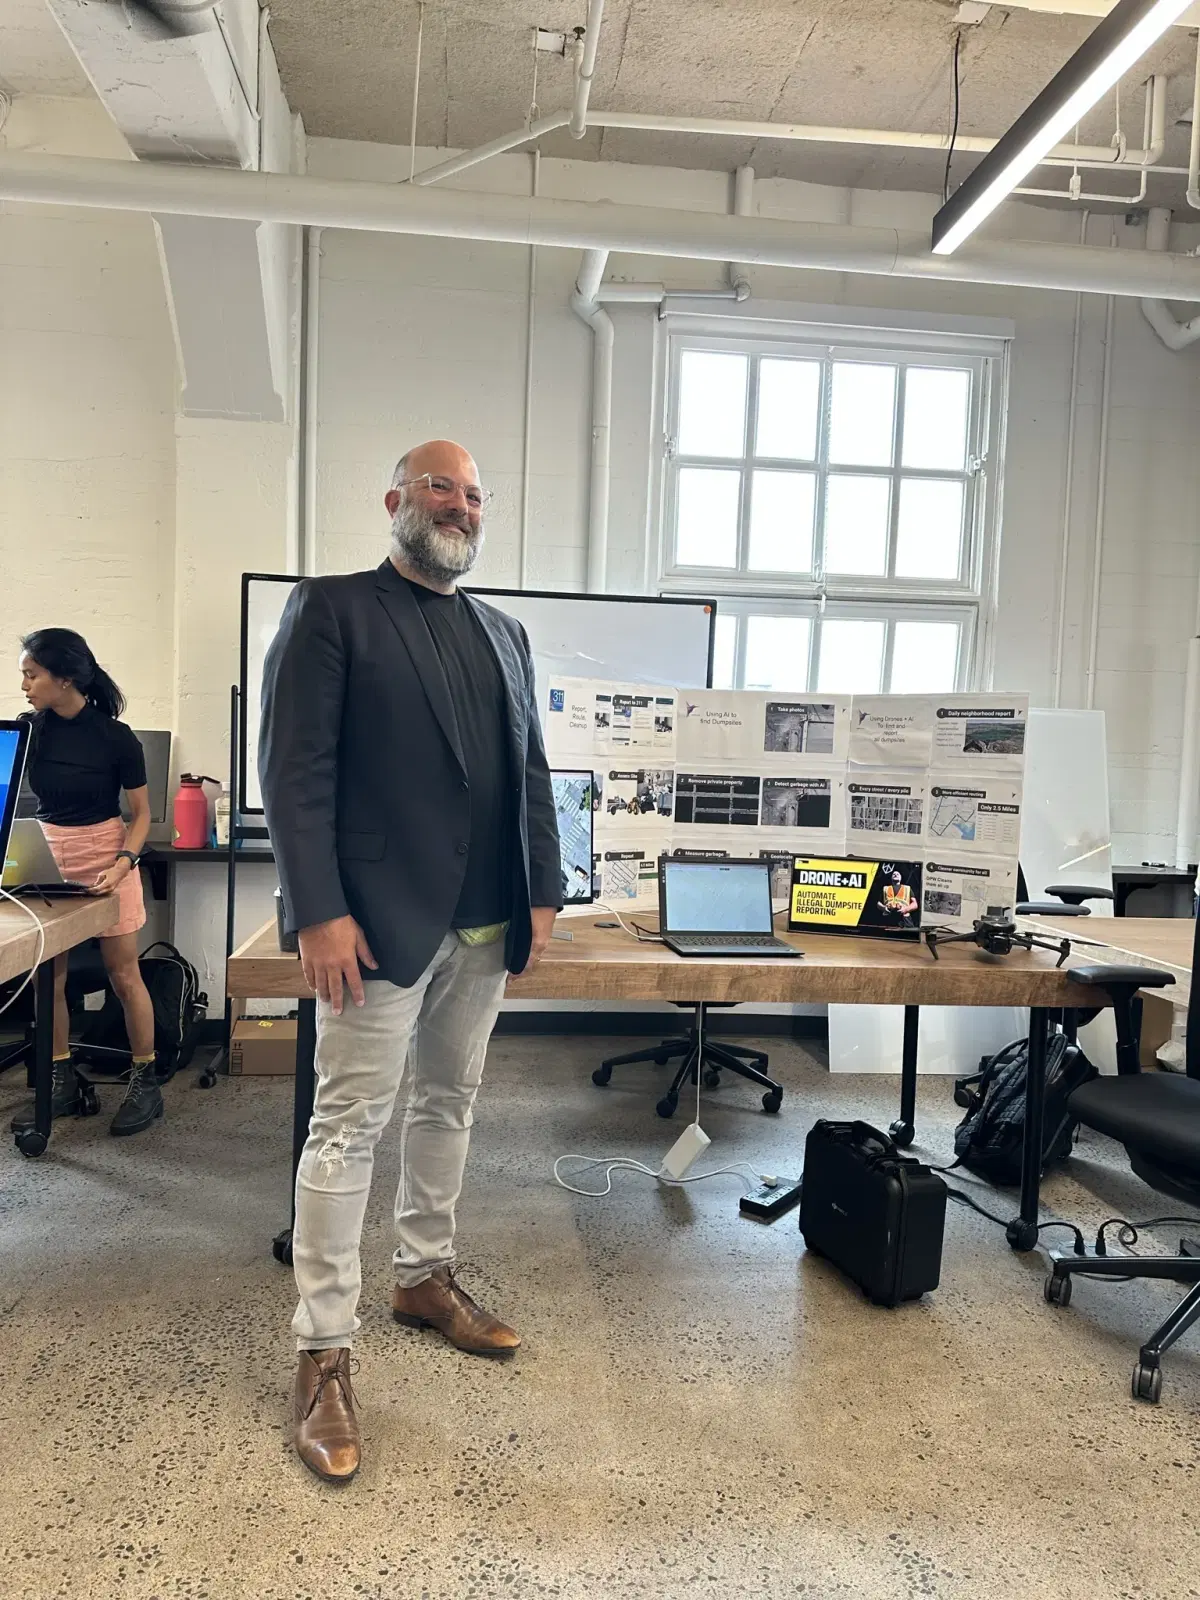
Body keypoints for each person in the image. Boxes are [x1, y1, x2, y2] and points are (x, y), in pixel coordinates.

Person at [260, 438, 561, 1485]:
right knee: (348, 1125)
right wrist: (316, 908)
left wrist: (544, 888)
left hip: (484, 923)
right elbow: (293, 770)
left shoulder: (507, 634)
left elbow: (531, 770)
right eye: (441, 486)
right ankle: (321, 1350)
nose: (461, 505)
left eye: (476, 492)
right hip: (376, 923)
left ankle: (423, 1277)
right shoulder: (332, 610)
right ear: (396, 500)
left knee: (452, 1102)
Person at [10, 629, 162, 1137]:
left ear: (64, 678)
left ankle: (146, 1080)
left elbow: (140, 815)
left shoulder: (116, 737)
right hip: (48, 860)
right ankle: (61, 1081)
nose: (24, 684)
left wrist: (123, 864)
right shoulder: (31, 731)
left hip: (108, 856)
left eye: (32, 675)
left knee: (124, 976)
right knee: (46, 977)